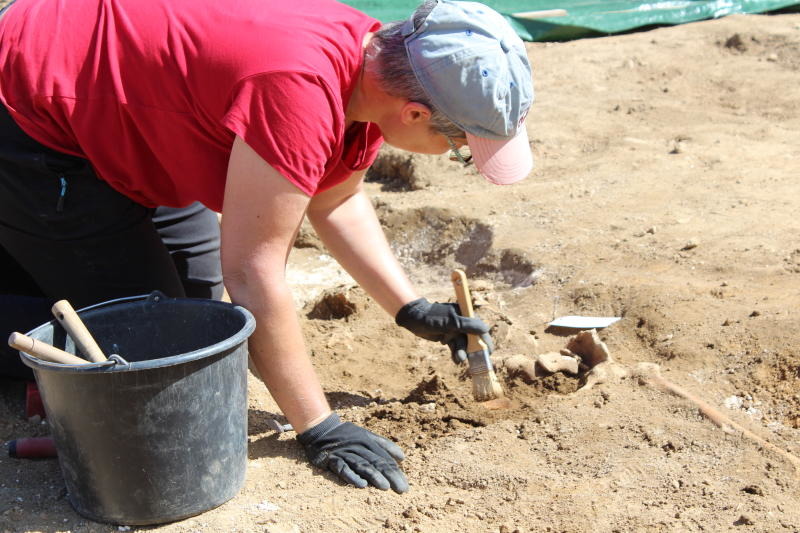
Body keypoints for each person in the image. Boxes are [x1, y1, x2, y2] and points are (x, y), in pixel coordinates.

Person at [0, 0, 534, 493]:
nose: (455, 153)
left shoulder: (376, 67)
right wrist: (320, 427)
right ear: (414, 113)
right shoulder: (299, 91)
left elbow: (335, 199)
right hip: (32, 102)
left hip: (129, 110)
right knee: (159, 363)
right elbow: (254, 273)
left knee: (204, 331)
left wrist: (410, 308)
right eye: (461, 143)